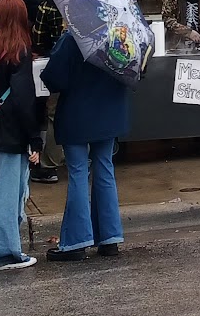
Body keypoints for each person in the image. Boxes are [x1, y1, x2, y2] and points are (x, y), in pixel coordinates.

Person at [41, 27, 133, 260]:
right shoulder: (119, 36)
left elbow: (53, 77)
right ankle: (109, 238)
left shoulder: (73, 38)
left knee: (79, 173)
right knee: (105, 169)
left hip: (78, 113)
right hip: (110, 112)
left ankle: (76, 242)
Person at [0, 0, 45, 271]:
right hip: (11, 128)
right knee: (9, 190)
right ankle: (7, 253)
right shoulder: (19, 50)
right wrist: (34, 137)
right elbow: (24, 98)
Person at [16, 0, 70, 183]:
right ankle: (46, 158)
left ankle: (49, 160)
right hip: (39, 56)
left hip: (59, 57)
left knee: (54, 110)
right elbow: (22, 22)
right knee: (43, 110)